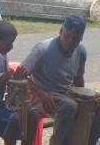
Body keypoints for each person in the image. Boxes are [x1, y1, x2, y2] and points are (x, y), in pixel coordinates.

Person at [21, 15, 100, 145]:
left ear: (81, 38)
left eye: (75, 38)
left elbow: (79, 79)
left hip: (65, 94)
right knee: (69, 106)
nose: (70, 41)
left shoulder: (81, 51)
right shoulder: (43, 49)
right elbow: (19, 76)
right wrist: (41, 93)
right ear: (60, 31)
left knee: (96, 106)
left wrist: (84, 99)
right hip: (39, 95)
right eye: (67, 36)